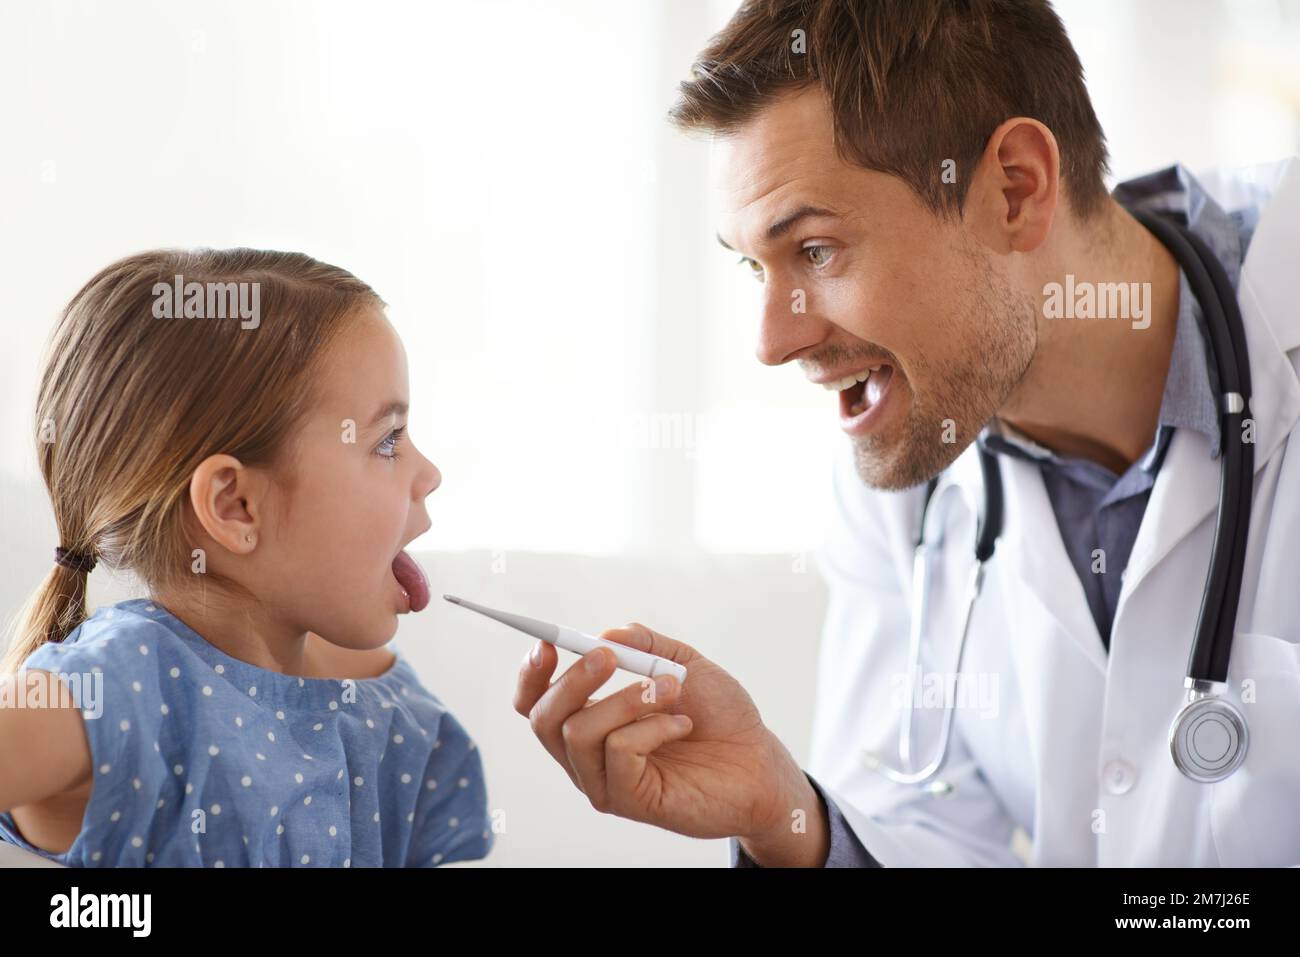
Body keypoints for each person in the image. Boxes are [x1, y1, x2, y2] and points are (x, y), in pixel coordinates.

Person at [512, 0, 1300, 866]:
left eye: (814, 251)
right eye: (754, 266)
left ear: (1014, 189)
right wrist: (790, 819)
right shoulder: (909, 460)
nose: (773, 342)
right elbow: (921, 826)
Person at [0, 249, 493, 867]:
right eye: (386, 440)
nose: (430, 474)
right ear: (236, 506)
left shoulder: (388, 710)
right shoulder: (129, 687)